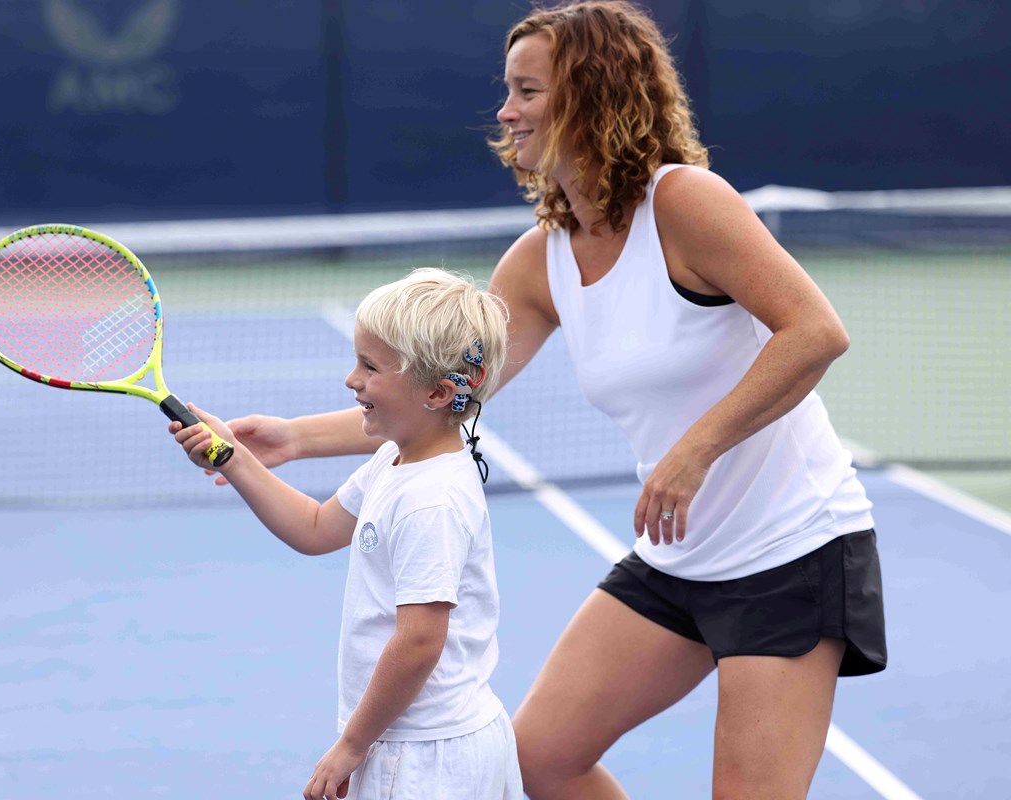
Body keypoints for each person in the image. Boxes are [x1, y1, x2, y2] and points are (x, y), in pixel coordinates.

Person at [217, 2, 887, 798]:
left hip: (790, 551)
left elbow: (815, 332)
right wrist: (292, 438)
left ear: (593, 95)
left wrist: (694, 450)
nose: (505, 111)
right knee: (539, 757)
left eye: (528, 91)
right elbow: (449, 393)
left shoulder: (685, 204)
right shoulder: (544, 258)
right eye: (509, 90)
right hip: (679, 558)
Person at [171, 268, 521, 800]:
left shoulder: (431, 501)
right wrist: (236, 458)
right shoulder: (393, 461)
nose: (350, 380)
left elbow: (421, 640)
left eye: (370, 366)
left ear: (437, 392)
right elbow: (314, 528)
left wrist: (352, 746)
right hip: (415, 741)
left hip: (426, 758)